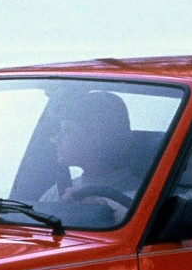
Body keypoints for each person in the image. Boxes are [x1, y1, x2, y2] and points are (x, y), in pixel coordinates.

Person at [42, 91, 139, 220]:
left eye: (67, 130)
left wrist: (103, 216)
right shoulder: (58, 192)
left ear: (95, 139)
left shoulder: (142, 202)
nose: (55, 139)